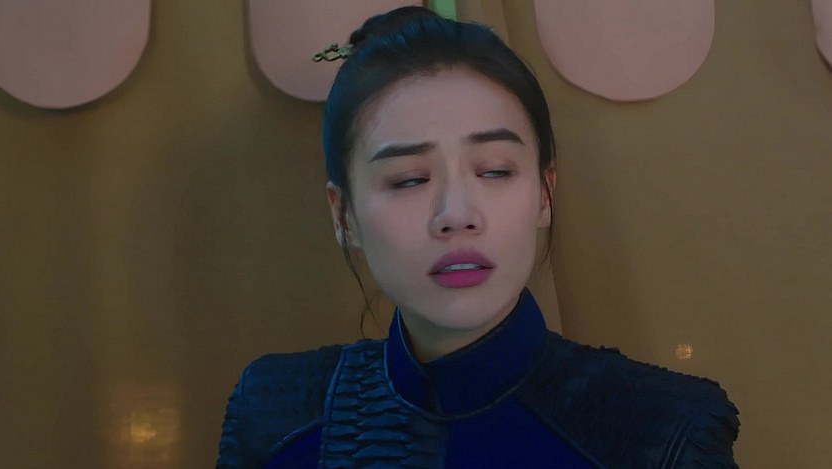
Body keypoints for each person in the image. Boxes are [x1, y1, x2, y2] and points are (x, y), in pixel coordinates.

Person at [217, 7, 739, 468]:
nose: (456, 215)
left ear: (544, 193)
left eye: (494, 171)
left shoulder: (665, 432)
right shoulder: (273, 412)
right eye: (409, 179)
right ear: (344, 215)